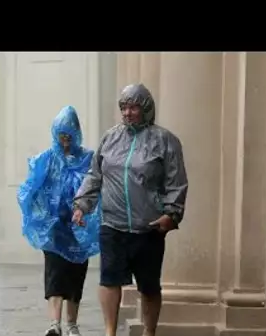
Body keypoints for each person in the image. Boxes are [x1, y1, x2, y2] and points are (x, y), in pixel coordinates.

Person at [72, 83, 189, 336]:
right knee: (109, 279)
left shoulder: (165, 141)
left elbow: (175, 180)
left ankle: (149, 331)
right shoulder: (110, 137)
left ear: (146, 108)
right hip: (112, 225)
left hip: (148, 227)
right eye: (124, 107)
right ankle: (110, 331)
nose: (128, 113)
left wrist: (172, 214)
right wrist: (82, 204)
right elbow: (95, 175)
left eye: (134, 107)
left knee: (148, 286)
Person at [17, 106, 101, 336]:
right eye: (61, 135)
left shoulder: (88, 160)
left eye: (69, 136)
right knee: (54, 273)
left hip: (79, 227)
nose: (65, 141)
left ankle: (72, 324)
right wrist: (39, 216)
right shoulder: (46, 159)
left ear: (76, 134)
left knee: (75, 274)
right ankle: (55, 324)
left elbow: (97, 189)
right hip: (53, 228)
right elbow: (29, 189)